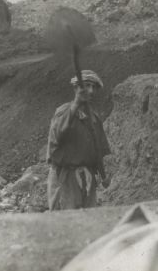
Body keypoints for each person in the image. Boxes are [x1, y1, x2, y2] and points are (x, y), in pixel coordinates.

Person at [47, 70, 112, 210]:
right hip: (65, 178)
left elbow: (98, 151)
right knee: (65, 222)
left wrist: (103, 175)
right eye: (87, 85)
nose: (91, 90)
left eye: (94, 87)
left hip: (88, 178)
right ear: (76, 88)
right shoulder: (63, 112)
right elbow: (58, 135)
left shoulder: (94, 118)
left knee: (88, 221)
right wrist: (76, 102)